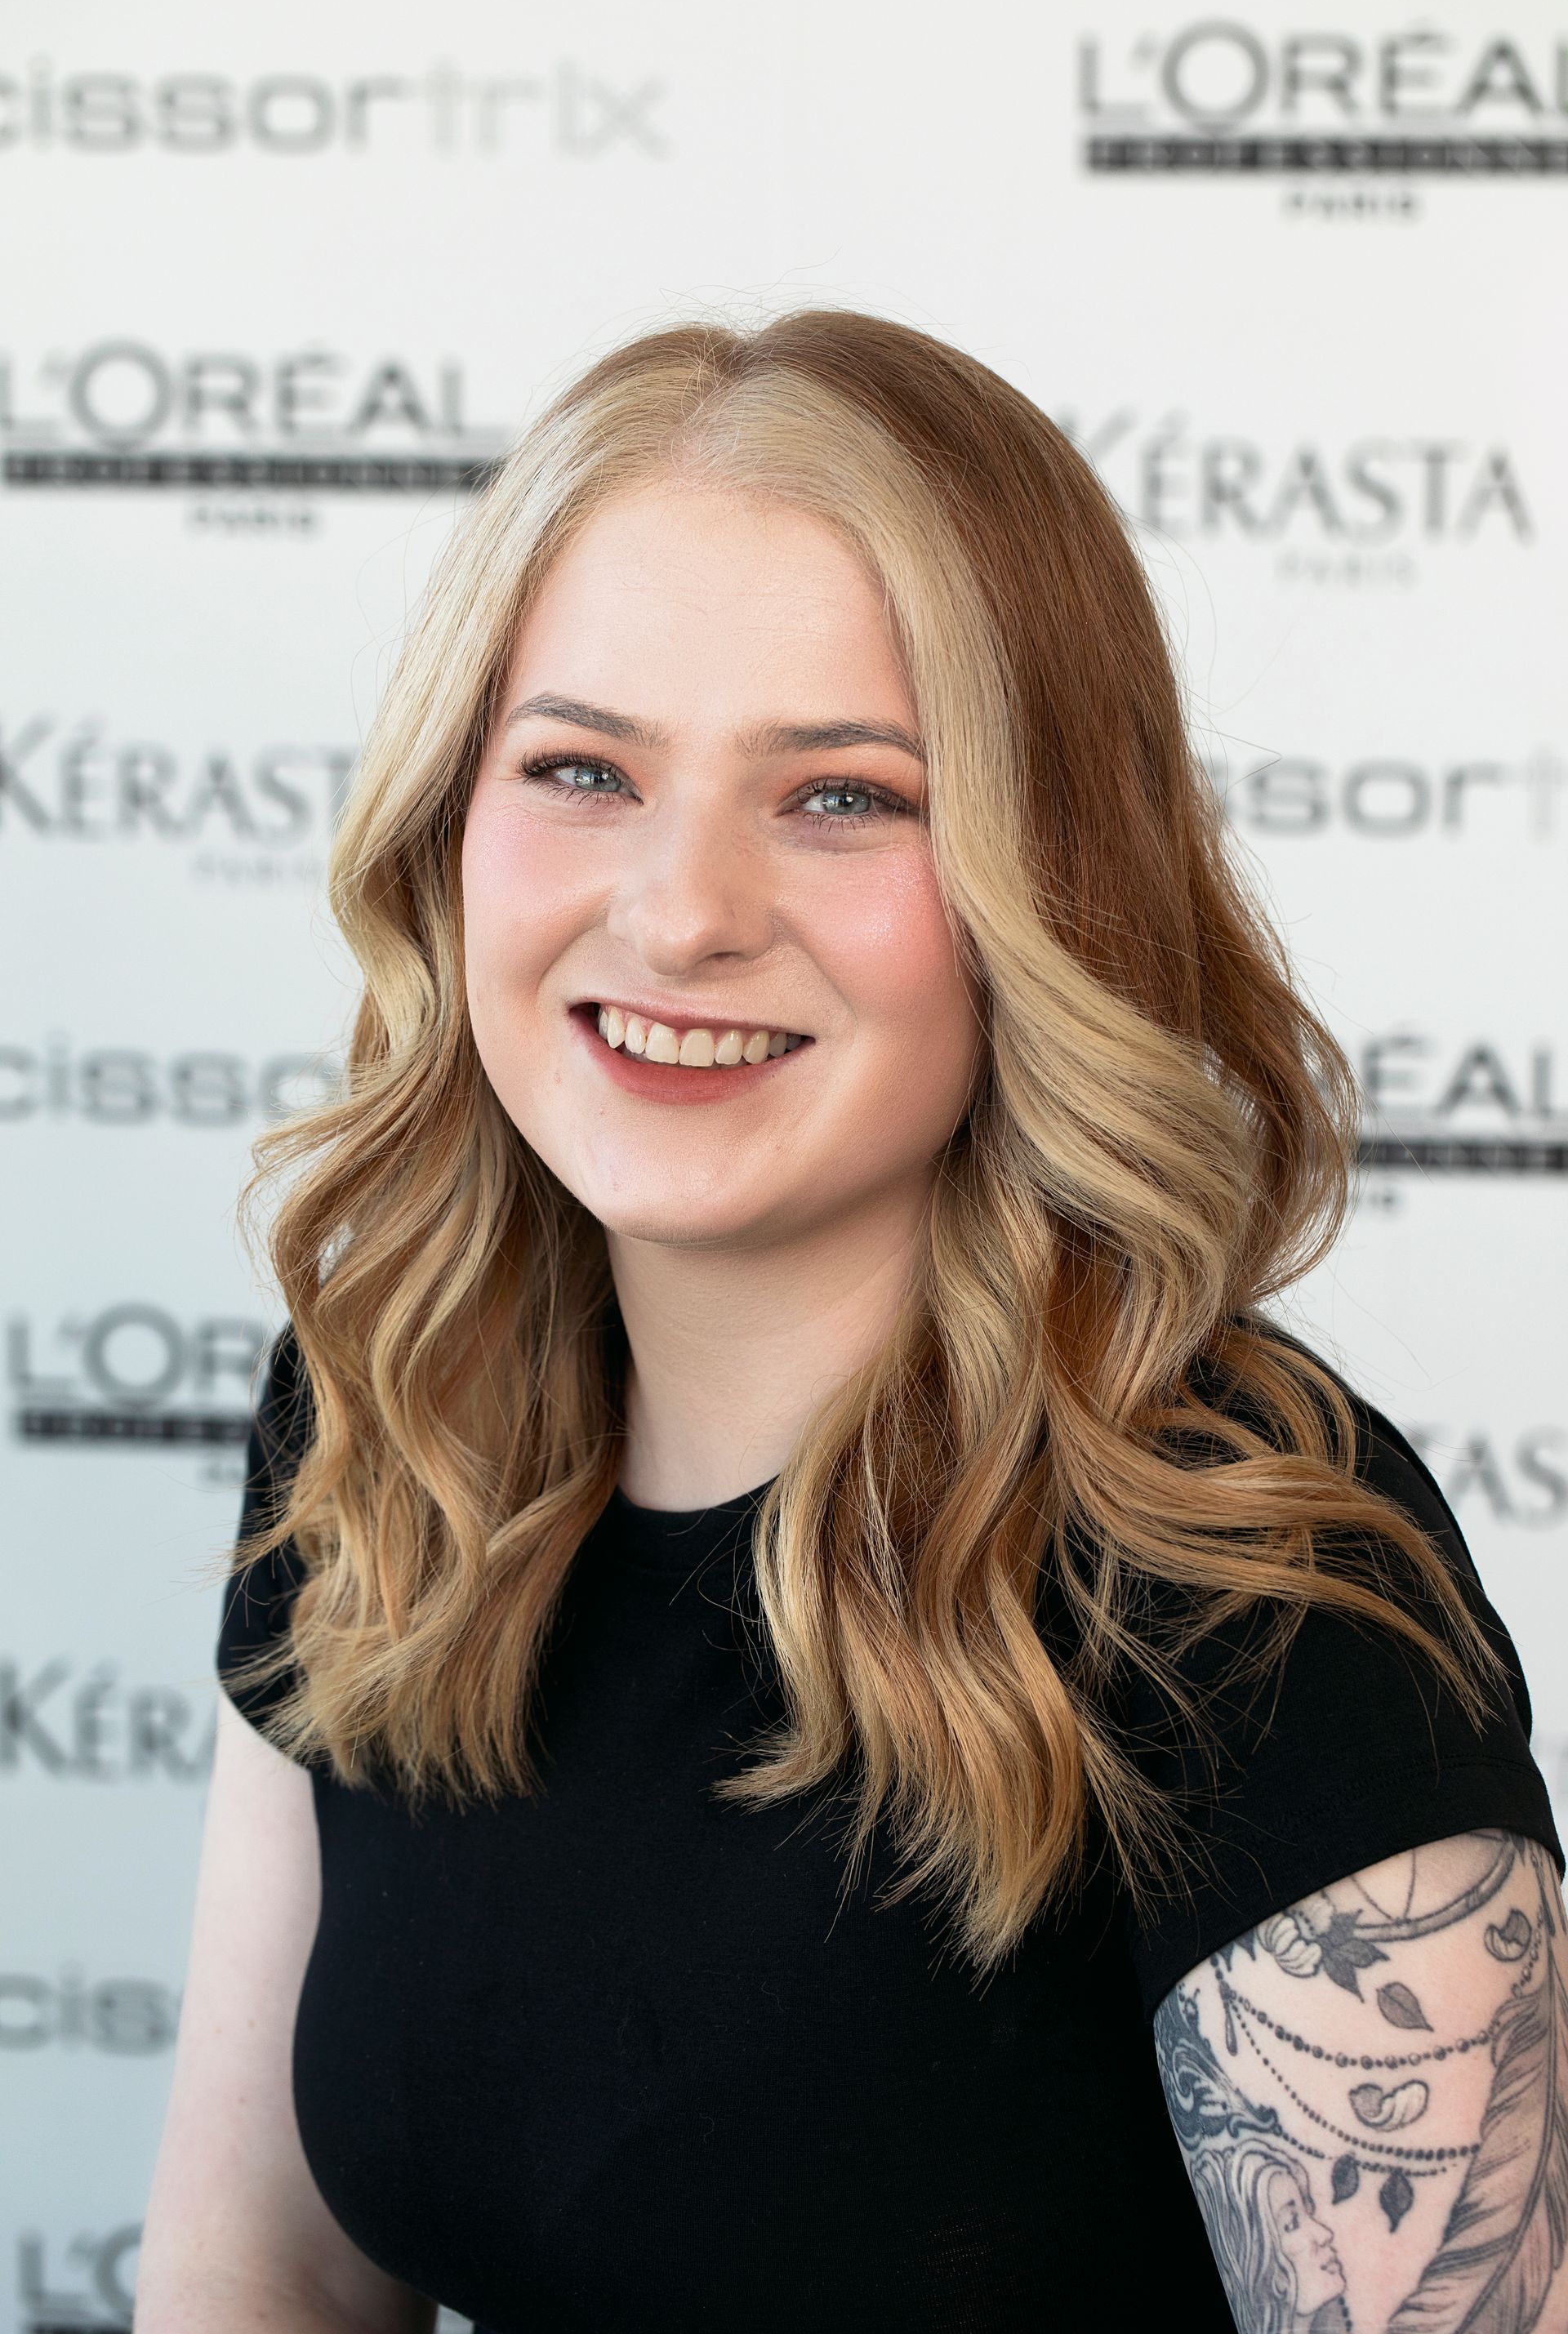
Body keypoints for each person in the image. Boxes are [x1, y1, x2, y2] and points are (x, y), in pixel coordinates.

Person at [136, 310, 1567, 2333]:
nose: (680, 908)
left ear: (1048, 877)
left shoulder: (1245, 1579)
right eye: (580, 769)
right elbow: (260, 2272)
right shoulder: (389, 1411)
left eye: (840, 799)